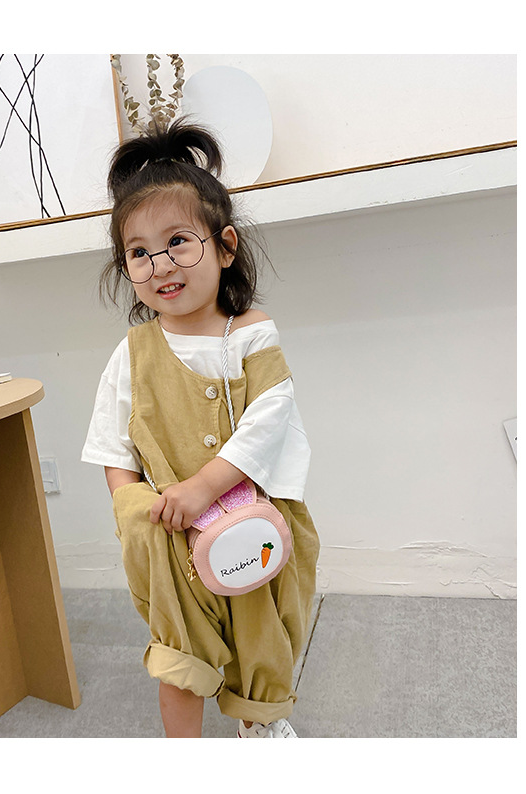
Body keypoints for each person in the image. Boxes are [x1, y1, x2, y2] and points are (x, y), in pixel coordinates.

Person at [81, 118, 320, 738]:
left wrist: (204, 487)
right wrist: (138, 514)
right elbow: (113, 447)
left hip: (253, 521)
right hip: (172, 542)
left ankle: (259, 726)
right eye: (138, 252)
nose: (160, 264)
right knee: (178, 658)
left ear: (225, 246)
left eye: (179, 242)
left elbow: (269, 420)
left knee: (264, 636)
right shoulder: (132, 354)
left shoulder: (250, 334)